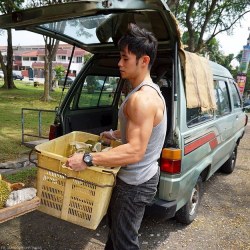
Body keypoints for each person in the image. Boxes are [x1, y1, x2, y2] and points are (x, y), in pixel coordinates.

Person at [66, 23, 167, 250]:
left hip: (135, 182)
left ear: (144, 61)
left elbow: (135, 150)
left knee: (125, 242)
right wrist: (114, 133)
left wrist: (87, 159)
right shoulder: (149, 91)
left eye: (125, 58)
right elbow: (141, 128)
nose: (119, 63)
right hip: (141, 176)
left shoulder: (141, 99)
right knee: (117, 235)